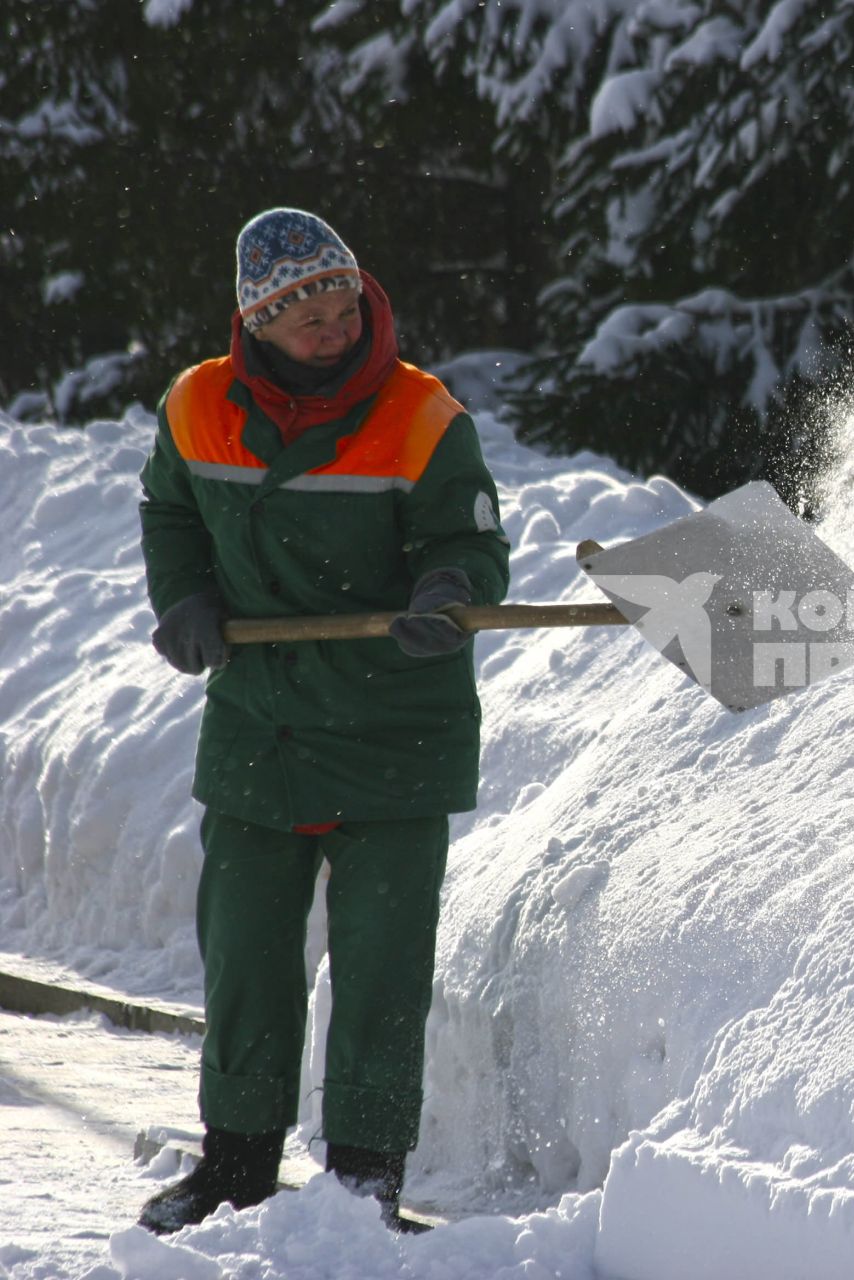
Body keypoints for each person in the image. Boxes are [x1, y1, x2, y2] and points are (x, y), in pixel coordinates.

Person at [135, 208, 510, 1233]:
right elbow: (168, 511)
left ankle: (362, 1180)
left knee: (384, 964)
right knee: (247, 953)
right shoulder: (196, 405)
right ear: (258, 321)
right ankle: (237, 1163)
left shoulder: (424, 416)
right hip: (261, 725)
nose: (339, 332)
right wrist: (186, 596)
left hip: (396, 729)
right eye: (312, 322)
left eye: (349, 311)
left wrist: (446, 590)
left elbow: (472, 546)